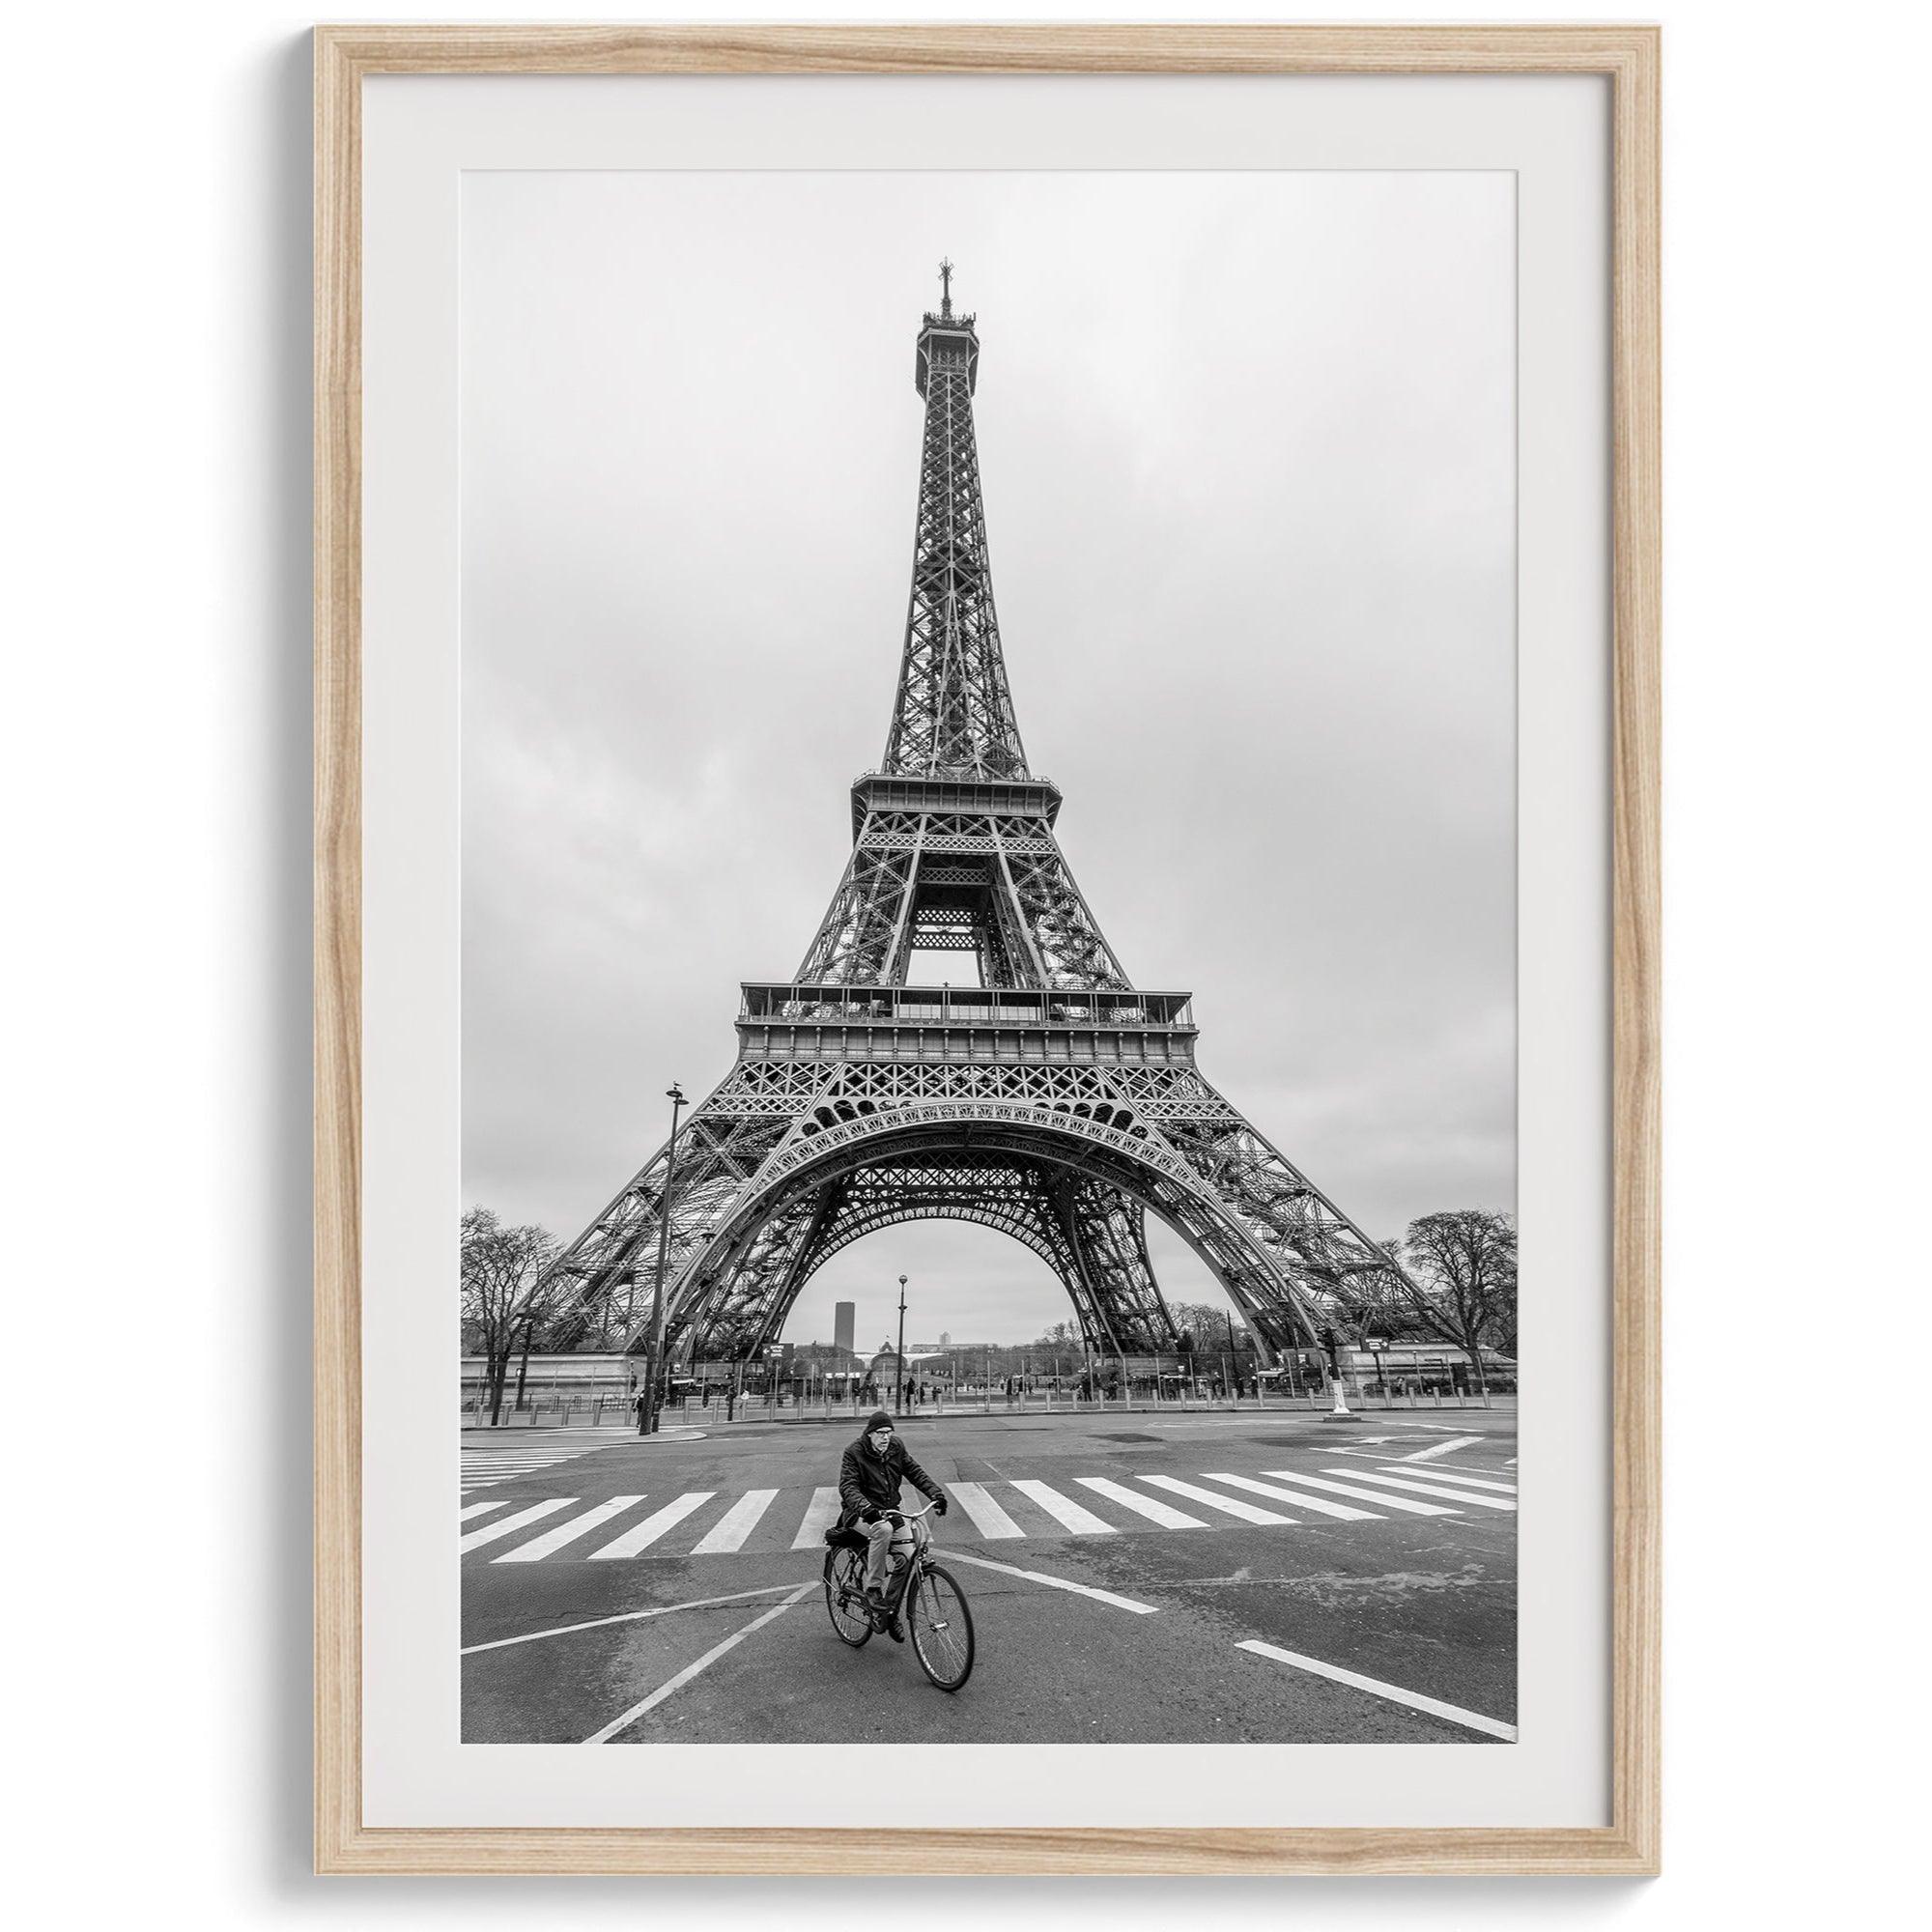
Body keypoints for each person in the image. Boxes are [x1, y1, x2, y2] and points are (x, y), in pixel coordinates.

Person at [838, 1408, 948, 1628]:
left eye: (888, 1432)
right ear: (869, 1434)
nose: (885, 1437)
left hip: (891, 1511)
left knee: (908, 1558)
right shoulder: (854, 1452)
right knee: (883, 1530)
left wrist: (935, 1493)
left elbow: (915, 1472)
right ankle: (873, 1588)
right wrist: (866, 1508)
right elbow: (848, 1487)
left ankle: (888, 1611)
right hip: (861, 1513)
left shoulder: (896, 1447)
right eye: (880, 1433)